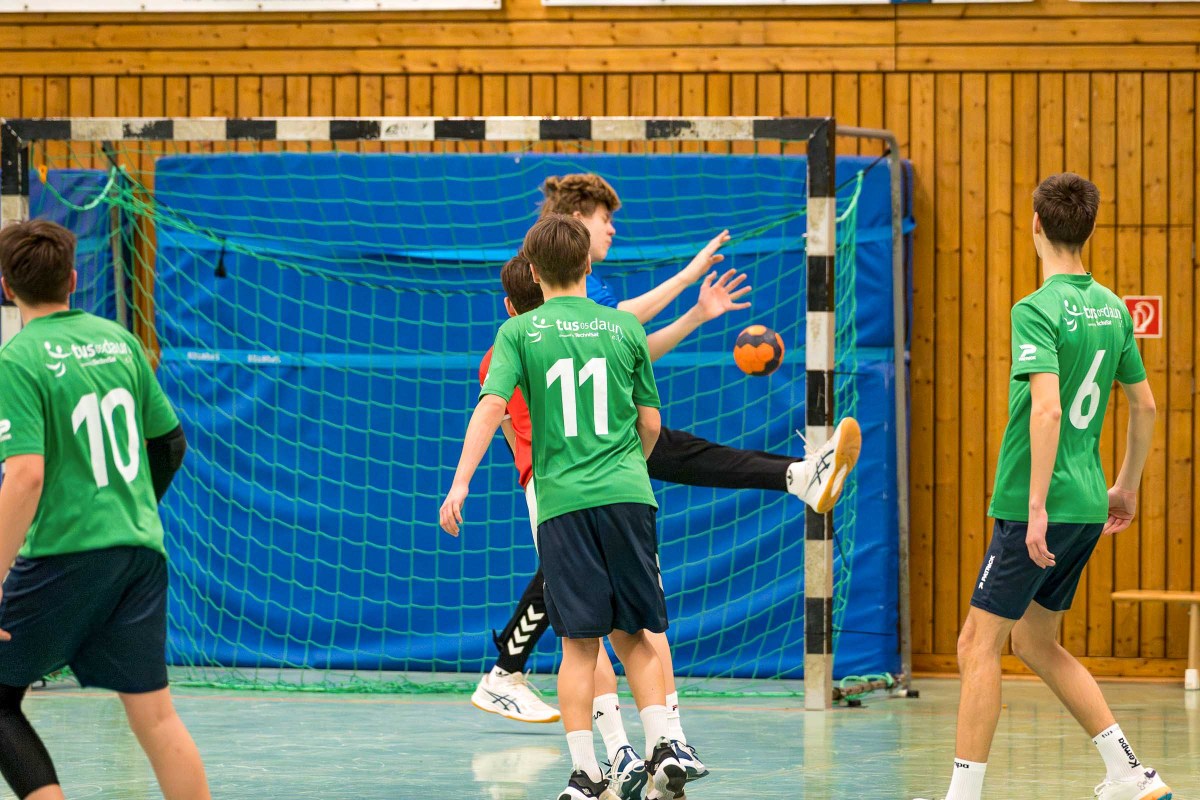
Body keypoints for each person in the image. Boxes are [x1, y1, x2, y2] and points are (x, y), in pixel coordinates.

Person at [474, 172, 861, 726]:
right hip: (579, 440)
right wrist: (688, 275)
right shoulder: (568, 283)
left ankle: (516, 674)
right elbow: (625, 328)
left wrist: (697, 313)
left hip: (585, 442)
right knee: (669, 463)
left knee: (580, 560)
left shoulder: (572, 284)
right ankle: (797, 476)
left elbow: (632, 345)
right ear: (577, 222)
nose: (612, 230)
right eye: (605, 220)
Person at [917, 173, 1169, 800]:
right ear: (1090, 228)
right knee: (1033, 640)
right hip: (1086, 502)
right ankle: (1128, 771)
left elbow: (1048, 410)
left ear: (1035, 223)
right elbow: (1144, 406)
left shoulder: (1035, 309)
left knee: (976, 644)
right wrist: (1126, 487)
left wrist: (1033, 508)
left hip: (1041, 504)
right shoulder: (1113, 309)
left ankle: (962, 796)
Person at [441, 214, 687, 800]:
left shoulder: (516, 335)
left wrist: (460, 483)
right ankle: (666, 744)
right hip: (626, 488)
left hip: (557, 496)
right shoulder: (622, 326)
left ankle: (593, 768)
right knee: (639, 631)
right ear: (589, 265)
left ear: (530, 275)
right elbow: (651, 423)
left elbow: (494, 411)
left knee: (579, 641)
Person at [0, 220, 209, 800]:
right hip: (139, 551)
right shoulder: (119, 341)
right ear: (72, 279)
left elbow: (26, 476)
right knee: (155, 717)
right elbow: (170, 444)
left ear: (6, 288)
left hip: (66, 551)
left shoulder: (18, 358)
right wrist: (129, 509)